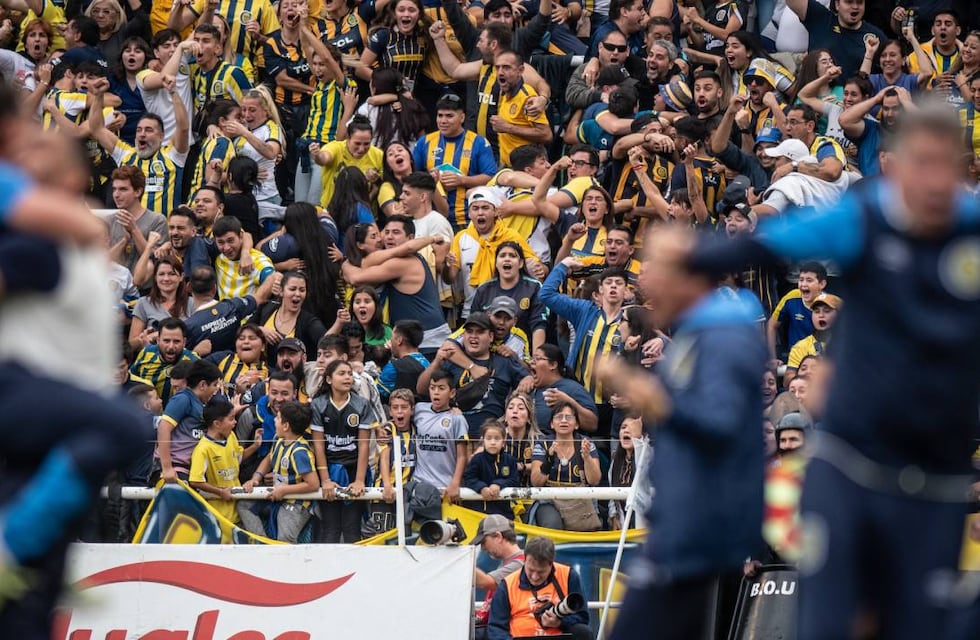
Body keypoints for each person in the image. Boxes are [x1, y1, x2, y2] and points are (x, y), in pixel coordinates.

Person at [686, 105, 980, 639]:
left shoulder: (972, 232)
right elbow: (761, 243)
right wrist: (684, 257)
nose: (935, 180)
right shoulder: (864, 221)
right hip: (852, 469)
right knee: (832, 621)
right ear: (898, 168)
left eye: (946, 165)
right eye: (922, 163)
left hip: (938, 480)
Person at [595, 224, 766, 640]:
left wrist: (652, 398)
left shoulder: (722, 339)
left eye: (660, 270)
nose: (646, 281)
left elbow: (720, 421)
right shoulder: (699, 334)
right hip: (689, 524)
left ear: (691, 278)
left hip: (695, 531)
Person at [310, 359, 376, 543]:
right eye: (342, 373)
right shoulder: (318, 404)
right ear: (329, 379)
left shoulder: (362, 404)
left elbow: (364, 444)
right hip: (328, 470)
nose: (347, 377)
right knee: (330, 528)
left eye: (349, 373)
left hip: (354, 470)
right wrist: (325, 480)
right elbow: (319, 445)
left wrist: (360, 480)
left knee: (351, 527)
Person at [240, 401, 320, 543]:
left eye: (277, 418)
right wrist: (255, 478)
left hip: (296, 504)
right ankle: (262, 543)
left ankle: (285, 560)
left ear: (286, 425)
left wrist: (284, 490)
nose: (274, 420)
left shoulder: (299, 452)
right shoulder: (279, 440)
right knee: (243, 505)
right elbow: (269, 459)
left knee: (285, 540)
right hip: (278, 497)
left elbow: (313, 484)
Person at [487, 536, 593, 640]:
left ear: (551, 564)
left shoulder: (568, 576)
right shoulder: (507, 584)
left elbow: (582, 617)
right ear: (524, 560)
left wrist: (560, 622)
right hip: (520, 637)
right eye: (531, 570)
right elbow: (496, 627)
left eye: (541, 572)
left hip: (559, 635)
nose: (535, 577)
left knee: (583, 631)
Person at [154, 359, 223, 484]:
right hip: (173, 468)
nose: (216, 390)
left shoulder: (201, 404)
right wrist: (167, 468)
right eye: (214, 385)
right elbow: (163, 427)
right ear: (202, 385)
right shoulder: (183, 399)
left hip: (187, 469)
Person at [188, 396, 253, 523]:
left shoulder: (231, 436)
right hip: (219, 516)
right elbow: (195, 480)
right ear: (217, 424)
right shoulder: (203, 449)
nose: (235, 422)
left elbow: (238, 457)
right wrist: (220, 492)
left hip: (239, 510)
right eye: (231, 419)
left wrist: (255, 446)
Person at [412, 369, 469, 502]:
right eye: (432, 388)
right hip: (420, 484)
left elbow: (462, 456)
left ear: (452, 393)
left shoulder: (457, 419)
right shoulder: (419, 409)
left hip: (445, 486)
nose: (436, 392)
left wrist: (455, 483)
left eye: (441, 388)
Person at [472, 514, 525, 638]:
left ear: (498, 536)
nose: (483, 548)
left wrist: (460, 561)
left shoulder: (520, 563)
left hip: (499, 630)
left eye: (484, 542)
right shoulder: (507, 562)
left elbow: (486, 582)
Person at [463, 420, 519, 518]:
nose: (493, 442)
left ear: (503, 442)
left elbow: (514, 480)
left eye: (497, 439)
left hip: (503, 513)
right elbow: (469, 478)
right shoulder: (477, 459)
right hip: (478, 512)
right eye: (489, 438)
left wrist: (499, 484)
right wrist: (481, 488)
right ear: (483, 440)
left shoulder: (510, 460)